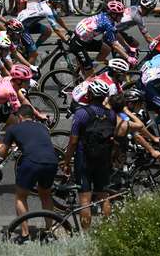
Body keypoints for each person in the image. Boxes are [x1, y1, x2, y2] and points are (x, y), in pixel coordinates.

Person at [0, 104, 60, 242]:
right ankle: (49, 232)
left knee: (21, 196)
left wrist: (0, 146)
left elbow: (2, 154)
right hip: (51, 161)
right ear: (32, 117)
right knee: (45, 194)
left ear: (20, 117)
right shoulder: (43, 127)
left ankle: (25, 235)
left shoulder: (13, 128)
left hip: (32, 161)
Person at [61, 80, 116, 230]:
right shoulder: (111, 115)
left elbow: (73, 141)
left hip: (84, 159)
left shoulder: (81, 114)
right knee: (103, 196)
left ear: (89, 94)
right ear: (105, 96)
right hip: (103, 159)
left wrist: (66, 162)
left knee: (85, 199)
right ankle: (107, 232)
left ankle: (85, 234)